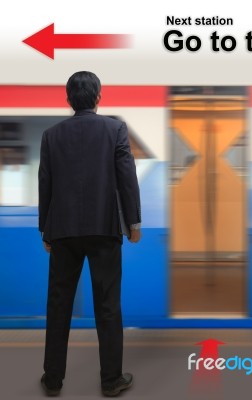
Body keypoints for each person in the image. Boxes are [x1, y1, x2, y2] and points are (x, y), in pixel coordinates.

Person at [38, 71, 141, 397]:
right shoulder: (115, 129)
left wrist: (45, 228)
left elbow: (46, 184)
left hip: (64, 231)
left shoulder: (51, 135)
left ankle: (53, 380)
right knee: (108, 306)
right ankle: (111, 380)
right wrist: (133, 223)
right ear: (98, 97)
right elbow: (126, 177)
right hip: (104, 229)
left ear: (68, 99)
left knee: (58, 305)